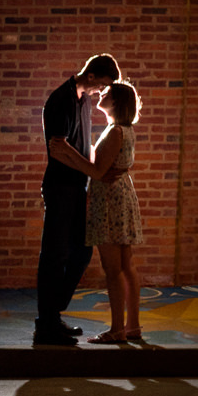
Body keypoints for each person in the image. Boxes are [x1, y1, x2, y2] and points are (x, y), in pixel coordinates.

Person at [33, 54, 123, 347]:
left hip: (77, 188)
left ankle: (51, 314)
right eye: (104, 85)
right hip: (60, 188)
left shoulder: (83, 99)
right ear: (93, 76)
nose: (103, 92)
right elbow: (58, 149)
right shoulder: (61, 99)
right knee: (54, 255)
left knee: (81, 252)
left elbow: (81, 147)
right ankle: (46, 325)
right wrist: (92, 170)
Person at [54, 81, 146, 345]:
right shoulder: (123, 129)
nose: (101, 94)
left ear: (116, 102)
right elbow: (102, 167)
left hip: (110, 202)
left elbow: (96, 172)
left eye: (107, 93)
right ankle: (133, 326)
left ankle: (117, 329)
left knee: (113, 268)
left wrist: (65, 151)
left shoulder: (115, 131)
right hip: (120, 196)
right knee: (126, 265)